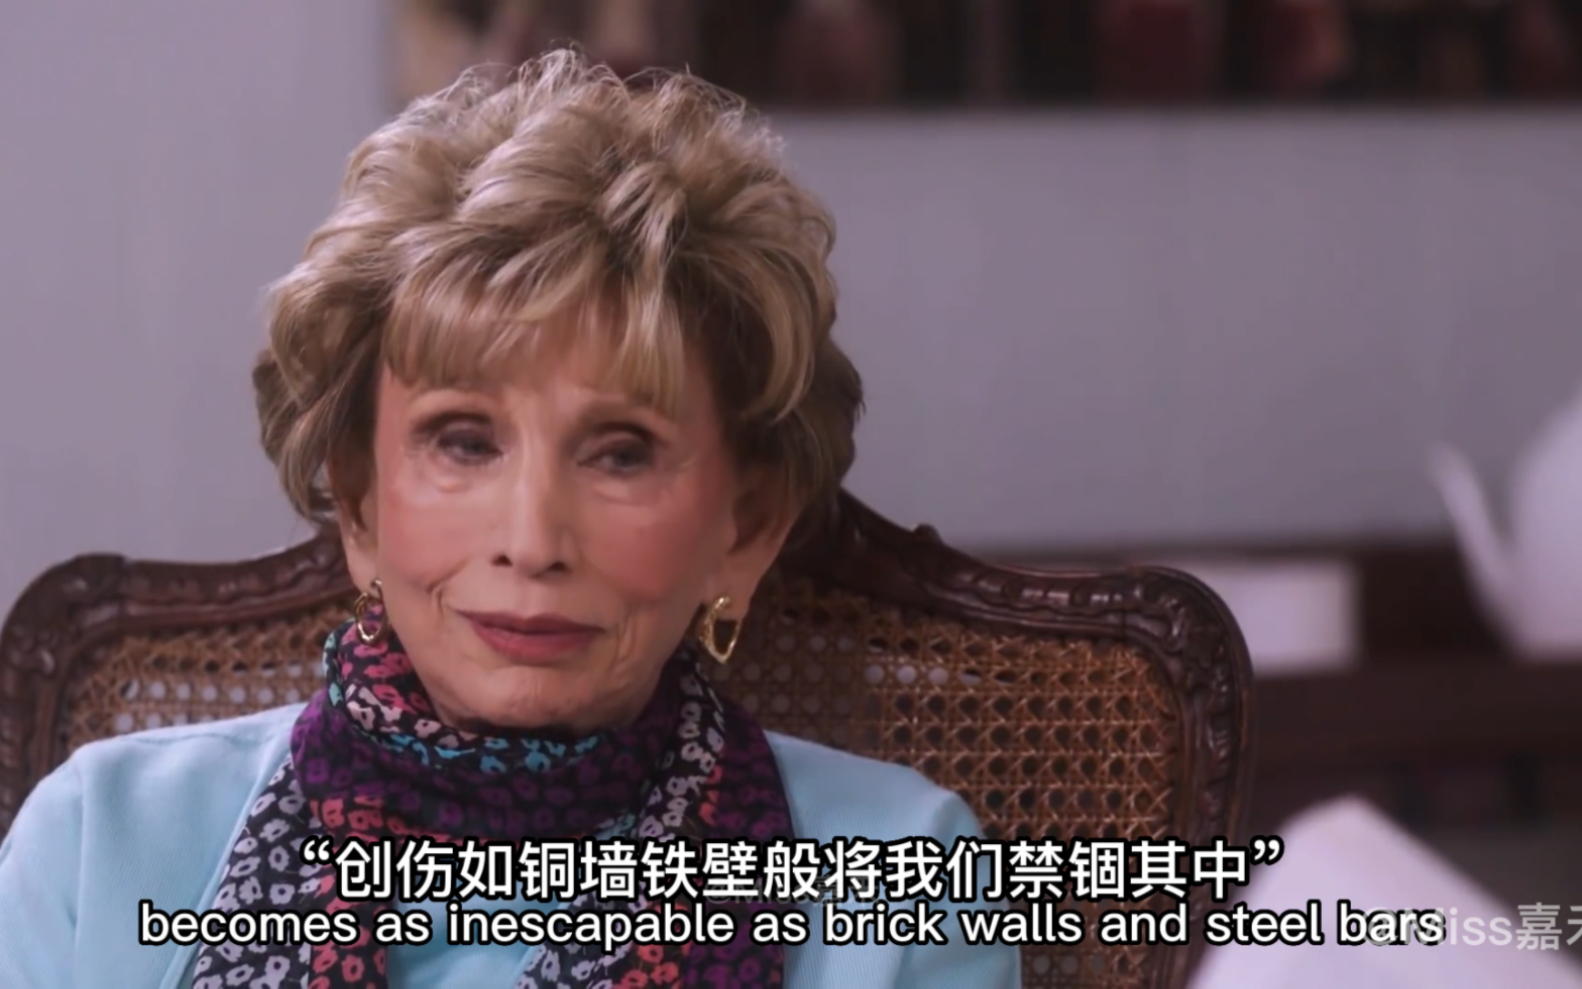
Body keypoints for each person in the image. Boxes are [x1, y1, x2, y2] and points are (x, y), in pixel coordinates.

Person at [0, 49, 1019, 989]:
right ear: (358, 501)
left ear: (743, 528)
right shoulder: (100, 841)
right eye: (463, 441)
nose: (531, 543)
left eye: (621, 452)